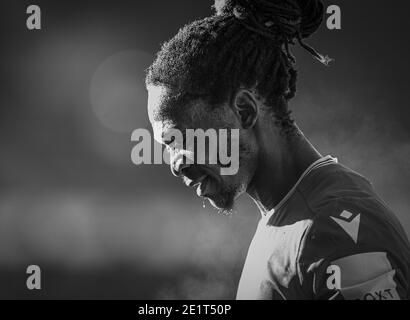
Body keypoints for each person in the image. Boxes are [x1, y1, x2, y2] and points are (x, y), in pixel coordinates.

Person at [145, 0, 410, 299]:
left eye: (180, 138)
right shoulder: (292, 215)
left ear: (244, 110)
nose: (174, 163)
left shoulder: (335, 227)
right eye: (166, 146)